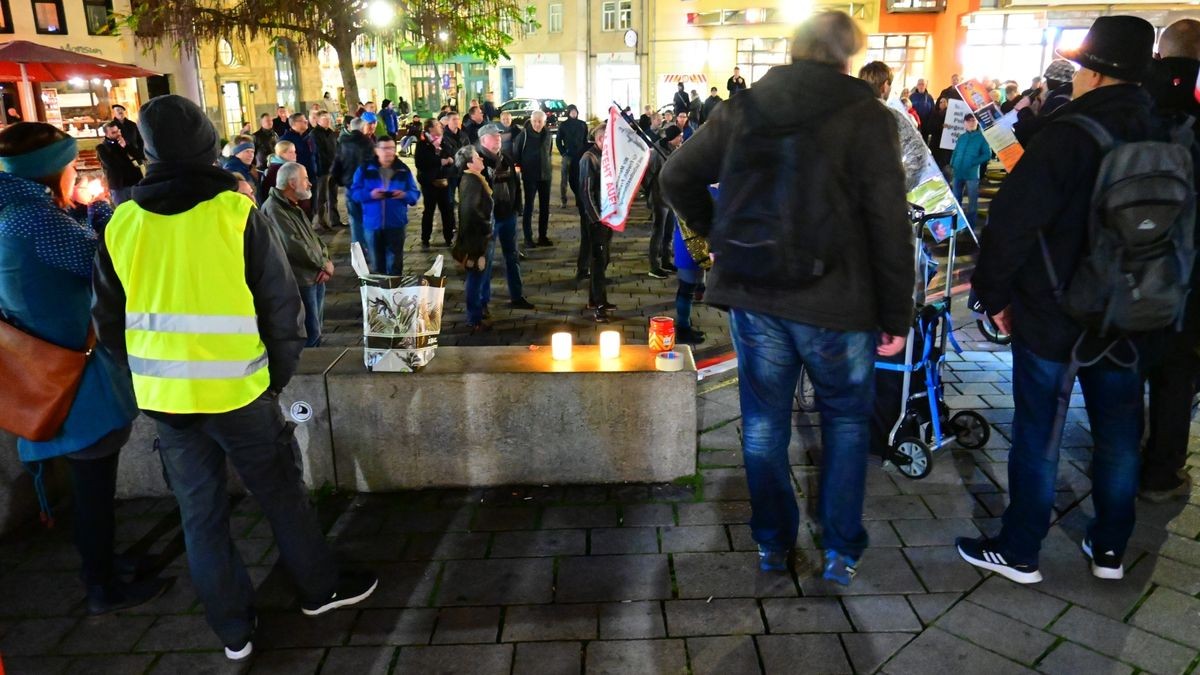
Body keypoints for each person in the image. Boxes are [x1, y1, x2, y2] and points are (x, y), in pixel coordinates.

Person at [92, 95, 377, 660]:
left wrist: (148, 379)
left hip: (167, 401)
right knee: (280, 495)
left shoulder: (120, 221)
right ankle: (319, 589)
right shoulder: (233, 213)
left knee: (200, 516)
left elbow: (107, 324)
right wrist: (274, 378)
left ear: (147, 151)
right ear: (206, 143)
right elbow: (282, 308)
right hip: (240, 393)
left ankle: (233, 630)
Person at [660, 11, 913, 585]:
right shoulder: (868, 117)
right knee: (846, 422)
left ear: (794, 51)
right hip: (838, 300)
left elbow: (676, 176)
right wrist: (896, 310)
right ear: (848, 57)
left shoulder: (746, 106)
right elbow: (888, 222)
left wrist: (715, 243)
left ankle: (773, 542)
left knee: (764, 424)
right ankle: (841, 547)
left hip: (755, 292)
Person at [959, 16, 1164, 584]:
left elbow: (1013, 220)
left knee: (1038, 434)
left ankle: (1021, 550)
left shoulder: (1070, 131)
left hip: (1055, 310)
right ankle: (1109, 550)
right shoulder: (1161, 129)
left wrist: (992, 296)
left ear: (1092, 70)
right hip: (1129, 308)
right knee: (1120, 434)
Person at [0, 122, 170, 616]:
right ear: (51, 169)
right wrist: (101, 214)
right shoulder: (33, 218)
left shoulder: (20, 210)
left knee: (92, 484)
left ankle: (106, 565)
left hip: (57, 366)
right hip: (71, 377)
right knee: (93, 487)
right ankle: (102, 586)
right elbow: (108, 265)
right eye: (72, 162)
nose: (78, 170)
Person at [1140, 17, 1200, 502]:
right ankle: (1161, 471)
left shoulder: (1140, 102)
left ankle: (1115, 459)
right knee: (1176, 374)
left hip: (1129, 264)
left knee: (1122, 366)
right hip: (1188, 273)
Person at [262, 162, 332, 347]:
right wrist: (322, 264)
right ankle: (311, 372)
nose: (309, 184)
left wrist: (326, 260)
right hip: (301, 278)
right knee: (309, 332)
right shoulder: (276, 209)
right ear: (292, 183)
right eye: (305, 179)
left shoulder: (293, 206)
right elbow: (293, 244)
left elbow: (314, 239)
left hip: (313, 275)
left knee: (315, 329)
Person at [477, 123, 533, 310]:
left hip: (508, 215)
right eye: (494, 136)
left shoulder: (506, 158)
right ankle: (482, 302)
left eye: (499, 135)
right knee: (487, 260)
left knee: (512, 256)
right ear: (484, 139)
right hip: (489, 218)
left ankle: (517, 296)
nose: (499, 138)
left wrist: (518, 207)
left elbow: (516, 185)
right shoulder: (478, 161)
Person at [350, 136, 420, 275]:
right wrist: (371, 195)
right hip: (373, 225)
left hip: (396, 224)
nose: (389, 152)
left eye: (392, 148)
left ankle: (394, 293)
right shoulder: (365, 169)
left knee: (395, 265)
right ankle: (380, 294)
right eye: (385, 148)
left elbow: (414, 194)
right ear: (377, 150)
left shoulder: (403, 170)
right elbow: (355, 193)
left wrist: (403, 195)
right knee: (377, 265)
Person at [451, 145, 495, 332]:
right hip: (476, 238)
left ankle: (476, 314)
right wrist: (486, 228)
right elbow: (471, 213)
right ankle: (474, 318)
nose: (482, 159)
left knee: (477, 276)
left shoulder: (475, 179)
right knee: (475, 277)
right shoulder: (472, 182)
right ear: (470, 163)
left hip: (478, 235)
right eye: (478, 157)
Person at [579, 123, 616, 323]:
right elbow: (586, 191)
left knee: (604, 258)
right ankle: (599, 305)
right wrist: (596, 219)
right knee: (598, 260)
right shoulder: (589, 158)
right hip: (596, 219)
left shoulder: (604, 157)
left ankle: (595, 299)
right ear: (600, 139)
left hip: (607, 216)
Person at [332, 117, 376, 258]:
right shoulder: (367, 142)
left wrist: (340, 180)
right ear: (363, 127)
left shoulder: (343, 142)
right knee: (367, 217)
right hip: (365, 186)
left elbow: (337, 163)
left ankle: (358, 250)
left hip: (350, 185)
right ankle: (369, 247)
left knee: (355, 219)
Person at [646, 125, 683, 279]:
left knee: (669, 231)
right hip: (659, 197)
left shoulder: (675, 150)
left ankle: (666, 260)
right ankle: (654, 265)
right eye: (679, 136)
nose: (681, 138)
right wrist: (652, 193)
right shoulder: (657, 153)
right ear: (672, 137)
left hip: (670, 198)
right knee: (658, 231)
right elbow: (649, 174)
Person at [514, 110, 554, 247]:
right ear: (531, 121)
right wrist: (520, 169)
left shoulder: (547, 134)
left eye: (540, 121)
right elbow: (516, 153)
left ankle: (543, 236)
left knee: (545, 207)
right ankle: (528, 238)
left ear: (544, 122)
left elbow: (548, 152)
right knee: (529, 207)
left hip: (545, 175)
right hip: (530, 176)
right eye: (535, 121)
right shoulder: (523, 135)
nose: (537, 124)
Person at [415, 118, 457, 249]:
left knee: (447, 210)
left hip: (444, 181)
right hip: (429, 183)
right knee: (429, 211)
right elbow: (420, 162)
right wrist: (440, 161)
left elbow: (452, 155)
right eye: (438, 125)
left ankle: (449, 237)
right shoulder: (423, 143)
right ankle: (425, 238)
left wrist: (450, 160)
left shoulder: (444, 142)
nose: (441, 127)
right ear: (431, 128)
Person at [948, 113, 990, 227]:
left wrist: (973, 162)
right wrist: (952, 163)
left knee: (972, 201)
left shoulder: (982, 138)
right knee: (956, 200)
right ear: (964, 124)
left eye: (973, 121)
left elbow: (987, 154)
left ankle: (970, 226)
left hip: (972, 174)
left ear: (977, 123)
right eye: (968, 121)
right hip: (958, 172)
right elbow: (956, 151)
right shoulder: (962, 137)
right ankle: (956, 225)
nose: (971, 123)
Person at [96, 121, 143, 206]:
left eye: (118, 131)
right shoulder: (102, 148)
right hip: (119, 186)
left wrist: (126, 146)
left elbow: (139, 155)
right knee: (123, 211)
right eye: (113, 132)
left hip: (134, 182)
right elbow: (112, 165)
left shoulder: (124, 142)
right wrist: (118, 148)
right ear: (106, 134)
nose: (118, 134)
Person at [556, 104, 588, 210]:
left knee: (580, 178)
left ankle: (579, 199)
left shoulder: (582, 124)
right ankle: (563, 200)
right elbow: (558, 140)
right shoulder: (563, 125)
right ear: (568, 113)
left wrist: (584, 151)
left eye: (575, 112)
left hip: (580, 155)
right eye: (572, 112)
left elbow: (585, 140)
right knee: (564, 178)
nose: (574, 114)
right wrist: (563, 152)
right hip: (568, 155)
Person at [311, 111, 339, 230]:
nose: (327, 121)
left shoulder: (331, 133)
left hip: (334, 169)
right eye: (324, 118)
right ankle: (321, 221)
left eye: (328, 118)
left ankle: (334, 219)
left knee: (334, 195)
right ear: (318, 120)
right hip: (323, 169)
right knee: (322, 196)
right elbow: (319, 153)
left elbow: (336, 149)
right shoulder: (315, 134)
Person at [279, 113, 318, 194]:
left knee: (314, 203)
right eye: (302, 120)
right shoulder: (286, 140)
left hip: (312, 176)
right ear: (294, 123)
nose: (306, 122)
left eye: (306, 120)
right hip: (298, 178)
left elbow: (315, 154)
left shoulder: (308, 136)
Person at [260, 140, 296, 205]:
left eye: (294, 151)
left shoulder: (280, 166)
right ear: (282, 153)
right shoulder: (279, 169)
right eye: (291, 152)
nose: (295, 154)